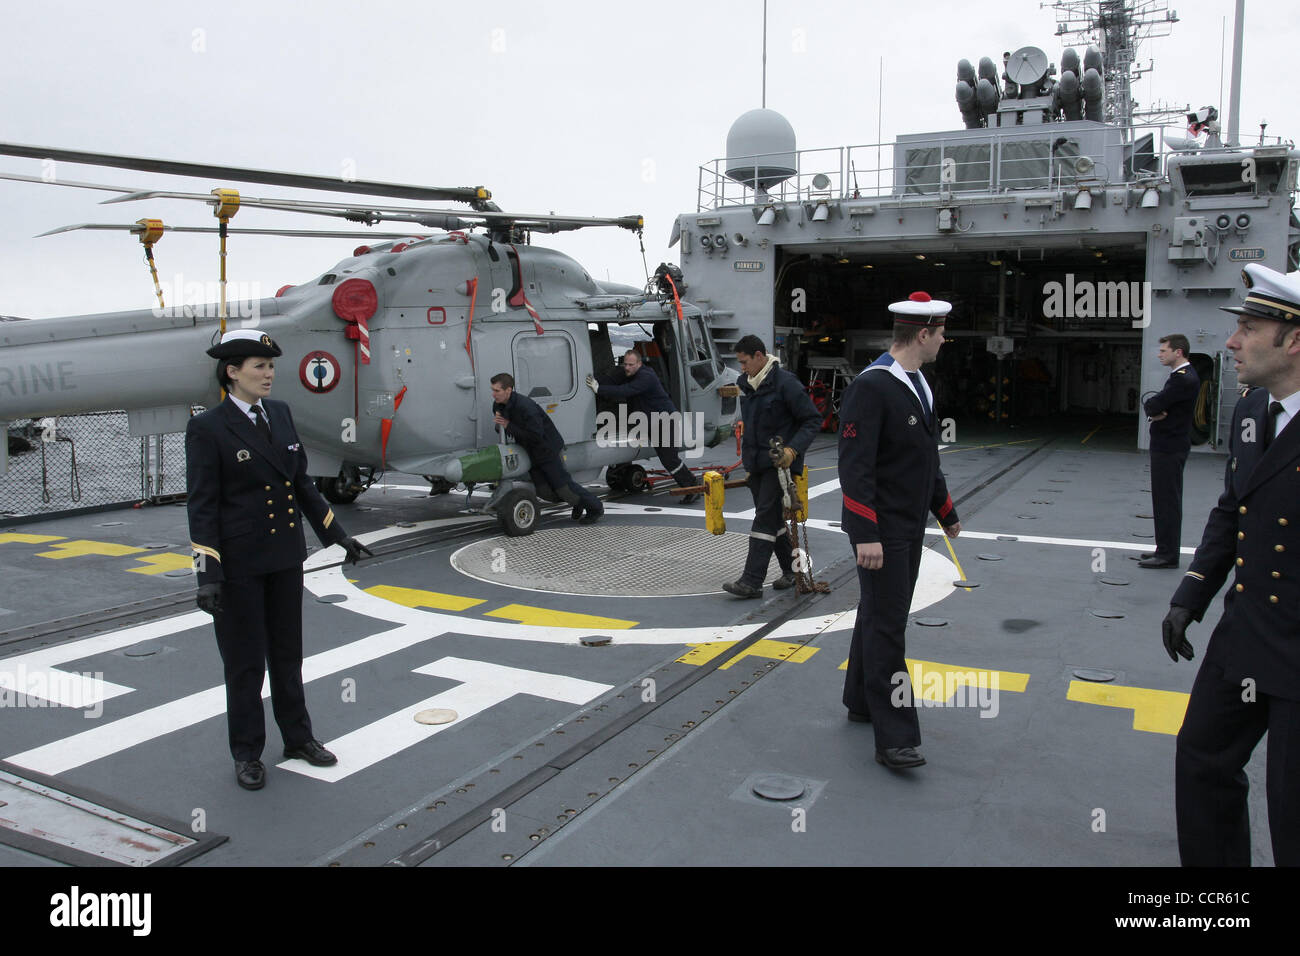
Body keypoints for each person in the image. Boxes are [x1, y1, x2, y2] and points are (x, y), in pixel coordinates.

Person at [187, 329, 371, 791]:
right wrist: (207, 575)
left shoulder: (282, 415)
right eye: (259, 367)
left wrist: (338, 535)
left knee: (288, 657)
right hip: (239, 565)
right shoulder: (208, 427)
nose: (269, 375)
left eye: (271, 367)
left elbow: (301, 483)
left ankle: (298, 738)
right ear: (232, 373)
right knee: (246, 664)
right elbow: (202, 506)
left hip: (285, 558)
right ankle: (247, 752)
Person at [1162, 263, 1300, 866]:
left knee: (1291, 806)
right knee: (1202, 762)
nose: (1232, 342)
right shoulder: (1250, 410)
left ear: (1292, 340)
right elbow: (1231, 509)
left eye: (1248, 328)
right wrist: (1191, 594)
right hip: (1243, 633)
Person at [838, 292, 961, 770]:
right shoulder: (873, 386)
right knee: (890, 629)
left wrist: (944, 510)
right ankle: (895, 738)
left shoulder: (919, 384)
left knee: (878, 615)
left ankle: (861, 701)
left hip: (909, 527)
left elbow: (924, 459)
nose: (945, 340)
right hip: (883, 531)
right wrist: (864, 533)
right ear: (924, 334)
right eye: (941, 333)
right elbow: (855, 467)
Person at [722, 335, 820, 598]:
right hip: (757, 465)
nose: (742, 368)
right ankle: (793, 571)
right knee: (774, 519)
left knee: (764, 517)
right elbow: (752, 428)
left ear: (759, 356)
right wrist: (750, 464)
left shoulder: (786, 384)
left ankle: (752, 581)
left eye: (744, 362)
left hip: (781, 465)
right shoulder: (747, 384)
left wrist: (792, 450)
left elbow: (812, 420)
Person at [586, 350, 701, 504]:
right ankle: (692, 486)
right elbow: (611, 380)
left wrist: (599, 389)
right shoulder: (628, 372)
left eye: (630, 365)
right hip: (650, 421)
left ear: (639, 364)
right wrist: (589, 379)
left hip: (665, 421)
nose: (626, 367)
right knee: (664, 457)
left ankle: (692, 488)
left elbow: (625, 390)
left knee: (670, 459)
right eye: (625, 364)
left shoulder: (646, 377)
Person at [491, 372, 603, 523]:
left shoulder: (526, 407)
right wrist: (501, 425)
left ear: (508, 390)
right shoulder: (498, 405)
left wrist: (507, 425)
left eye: (497, 391)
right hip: (530, 451)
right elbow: (502, 426)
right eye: (492, 390)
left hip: (546, 449)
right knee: (544, 491)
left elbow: (536, 436)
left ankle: (595, 508)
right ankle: (577, 502)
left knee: (563, 487)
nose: (493, 394)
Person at [1139, 334, 1201, 569]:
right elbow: (1157, 407)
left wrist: (1155, 411)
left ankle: (1167, 554)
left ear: (1178, 352)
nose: (1159, 354)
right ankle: (1163, 548)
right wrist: (1156, 411)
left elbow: (1154, 404)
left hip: (1169, 446)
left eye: (1164, 350)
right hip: (1170, 445)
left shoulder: (1182, 380)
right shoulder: (1182, 377)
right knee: (1164, 499)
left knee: (1167, 501)